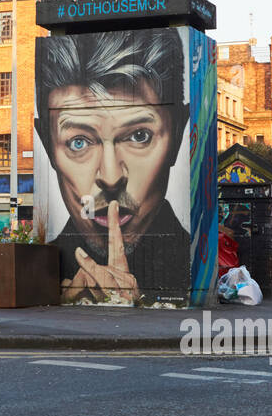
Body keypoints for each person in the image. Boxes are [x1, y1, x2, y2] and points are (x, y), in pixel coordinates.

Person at [34, 28, 190, 307]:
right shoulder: (41, 272)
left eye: (139, 136)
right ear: (48, 146)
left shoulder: (197, 263)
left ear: (177, 135)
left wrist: (138, 303)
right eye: (79, 142)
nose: (111, 177)